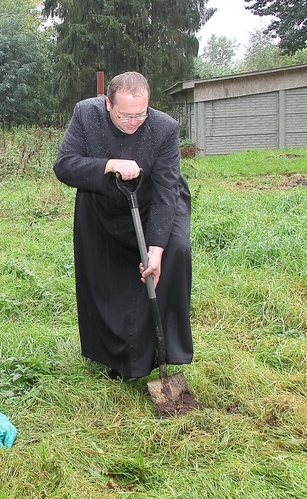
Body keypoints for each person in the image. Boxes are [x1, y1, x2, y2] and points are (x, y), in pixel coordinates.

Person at [53, 71, 193, 381]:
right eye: (125, 115)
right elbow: (64, 165)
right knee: (105, 279)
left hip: (155, 199)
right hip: (102, 202)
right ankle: (117, 359)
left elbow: (166, 191)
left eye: (140, 115)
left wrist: (156, 249)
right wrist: (109, 164)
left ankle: (161, 354)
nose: (133, 123)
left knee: (175, 252)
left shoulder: (164, 128)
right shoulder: (85, 114)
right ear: (107, 104)